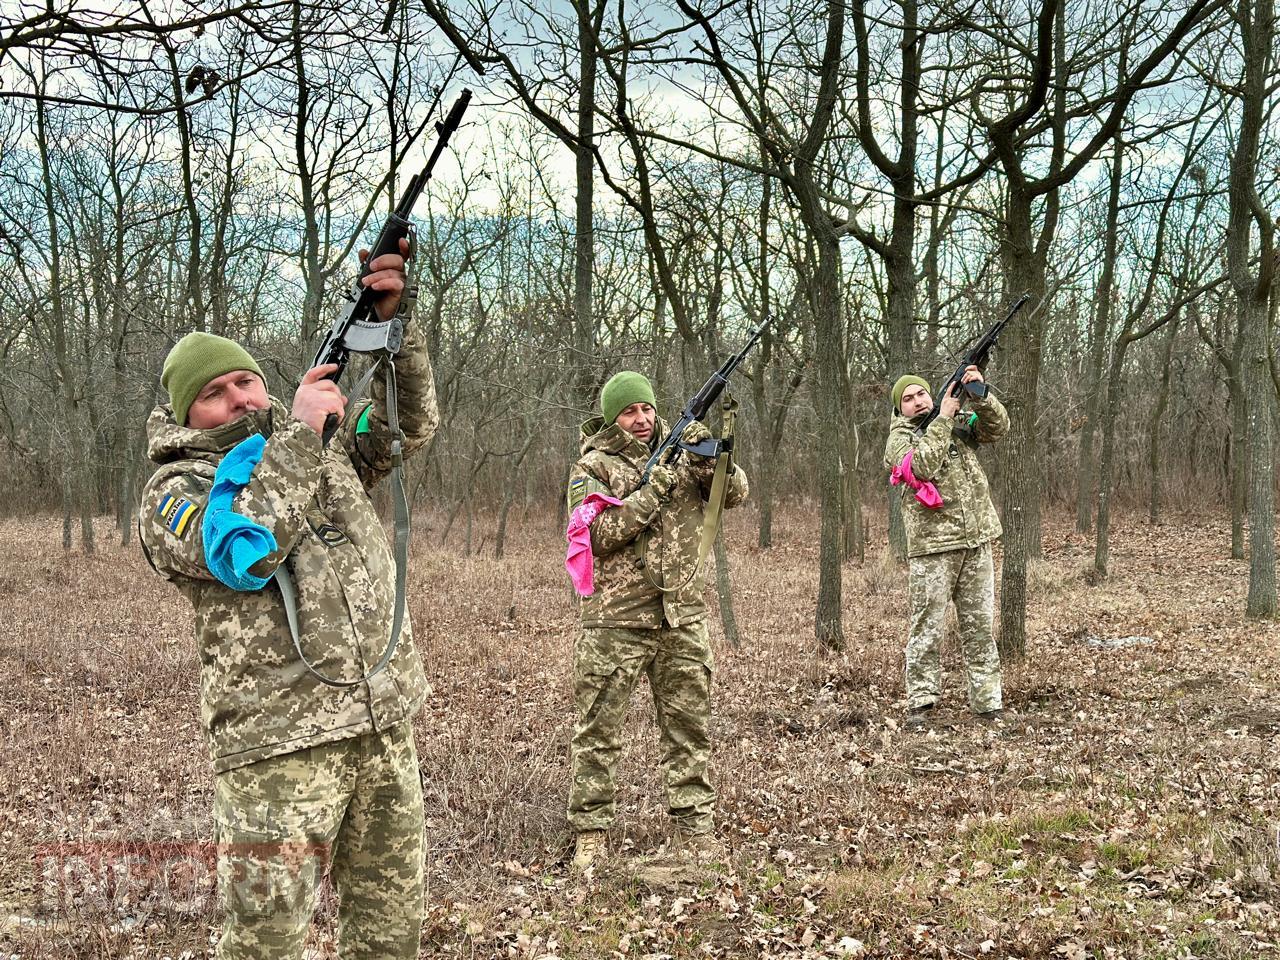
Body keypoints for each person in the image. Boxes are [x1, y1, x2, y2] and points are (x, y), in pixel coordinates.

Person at [138, 240, 437, 959]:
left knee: (391, 934)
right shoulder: (175, 494)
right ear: (187, 413)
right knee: (264, 945)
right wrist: (302, 433)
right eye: (216, 392)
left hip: (379, 722)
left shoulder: (320, 445)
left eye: (247, 380)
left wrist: (396, 332)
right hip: (277, 749)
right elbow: (248, 546)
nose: (241, 397)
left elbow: (404, 425)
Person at [564, 372, 749, 871]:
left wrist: (708, 455)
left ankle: (696, 829)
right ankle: (591, 833)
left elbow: (734, 495)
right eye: (629, 412)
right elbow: (595, 536)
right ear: (612, 417)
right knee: (598, 730)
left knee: (689, 727)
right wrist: (650, 493)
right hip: (615, 621)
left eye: (646, 409)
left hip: (681, 615)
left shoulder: (685, 450)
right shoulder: (592, 467)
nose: (642, 419)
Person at [883, 366, 1009, 730]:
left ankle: (988, 703)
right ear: (900, 408)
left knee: (980, 626)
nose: (918, 402)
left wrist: (979, 394)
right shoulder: (900, 440)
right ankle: (921, 704)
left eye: (921, 394)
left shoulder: (956, 419)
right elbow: (920, 467)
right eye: (908, 399)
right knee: (927, 627)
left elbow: (997, 430)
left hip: (976, 539)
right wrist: (942, 418)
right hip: (933, 548)